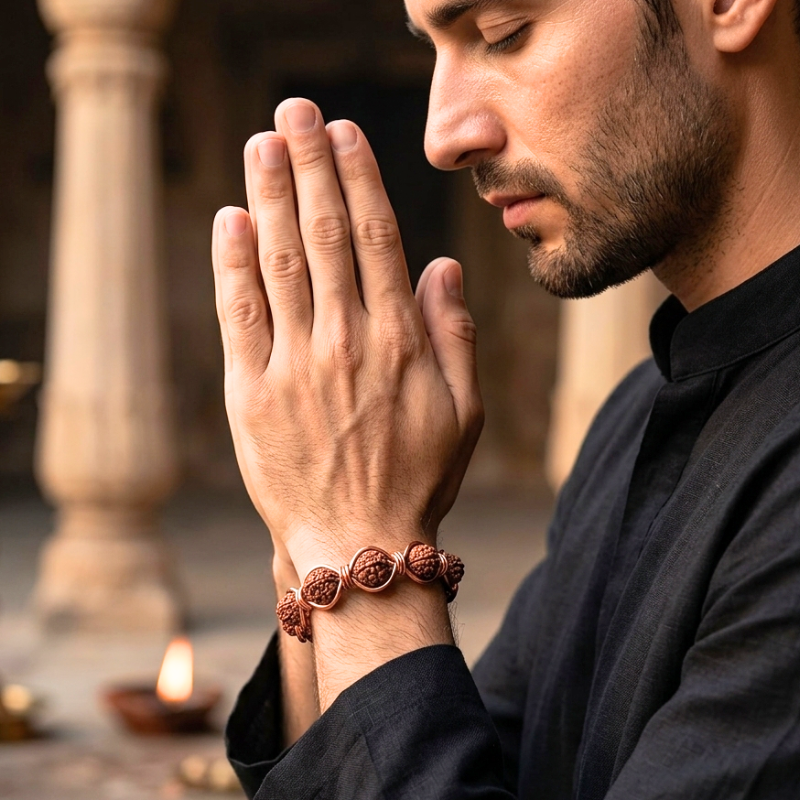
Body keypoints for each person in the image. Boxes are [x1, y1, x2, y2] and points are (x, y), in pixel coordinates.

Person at [211, 0, 800, 796]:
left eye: (503, 34)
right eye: (434, 51)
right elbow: (477, 761)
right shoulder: (634, 416)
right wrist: (310, 525)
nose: (444, 134)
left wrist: (361, 545)